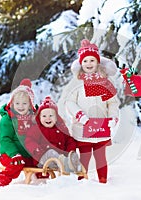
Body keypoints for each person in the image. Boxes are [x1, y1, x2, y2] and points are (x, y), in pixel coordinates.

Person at [58, 39, 120, 183]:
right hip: (82, 128)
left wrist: (113, 118)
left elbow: (112, 103)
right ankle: (81, 181)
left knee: (100, 157)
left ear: (97, 62)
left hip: (101, 127)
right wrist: (80, 116)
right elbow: (70, 101)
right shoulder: (77, 82)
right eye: (85, 61)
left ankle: (103, 181)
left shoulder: (105, 82)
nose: (89, 64)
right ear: (81, 63)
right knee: (84, 156)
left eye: (92, 60)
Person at [0, 78, 39, 187]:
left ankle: (40, 182)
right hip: (10, 155)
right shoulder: (7, 119)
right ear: (12, 103)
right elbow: (5, 139)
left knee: (40, 162)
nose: (20, 106)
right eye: (17, 103)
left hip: (27, 155)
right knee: (17, 164)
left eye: (24, 103)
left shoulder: (33, 118)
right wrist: (14, 154)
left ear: (30, 105)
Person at [25, 96, 82, 174]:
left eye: (51, 116)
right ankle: (67, 165)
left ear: (56, 117)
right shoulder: (36, 129)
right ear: (39, 117)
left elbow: (69, 140)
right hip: (42, 159)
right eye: (44, 116)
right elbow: (29, 140)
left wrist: (70, 151)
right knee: (51, 152)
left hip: (59, 158)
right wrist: (37, 150)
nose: (48, 118)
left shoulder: (61, 128)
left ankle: (74, 165)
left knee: (71, 154)